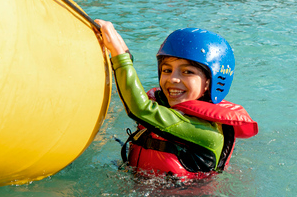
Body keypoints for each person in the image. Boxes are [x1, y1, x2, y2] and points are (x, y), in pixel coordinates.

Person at [95, 20, 258, 181]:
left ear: (210, 82)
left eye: (187, 71)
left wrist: (120, 55)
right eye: (167, 70)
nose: (173, 78)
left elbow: (141, 108)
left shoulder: (207, 132)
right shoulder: (165, 106)